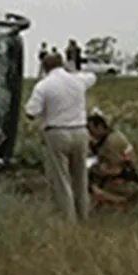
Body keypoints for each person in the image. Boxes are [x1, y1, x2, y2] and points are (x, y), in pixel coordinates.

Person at [24, 52, 97, 221]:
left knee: (61, 179)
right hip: (80, 131)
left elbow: (31, 112)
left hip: (57, 132)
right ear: (62, 64)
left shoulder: (44, 86)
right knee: (81, 177)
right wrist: (73, 70)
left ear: (44, 67)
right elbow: (92, 76)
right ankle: (84, 215)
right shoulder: (78, 80)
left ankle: (68, 220)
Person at [86, 109, 138, 207]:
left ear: (100, 127)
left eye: (91, 129)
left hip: (125, 181)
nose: (90, 133)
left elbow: (116, 169)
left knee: (93, 189)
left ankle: (121, 201)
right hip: (122, 178)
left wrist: (95, 170)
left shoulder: (111, 142)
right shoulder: (109, 138)